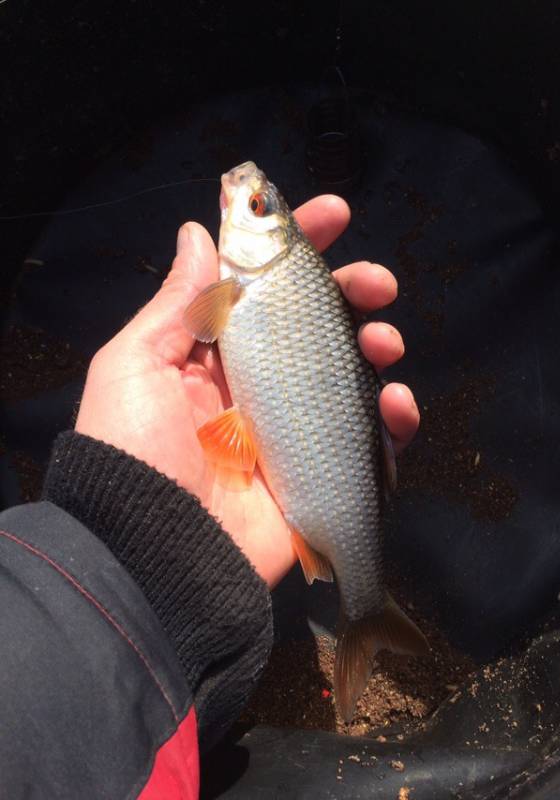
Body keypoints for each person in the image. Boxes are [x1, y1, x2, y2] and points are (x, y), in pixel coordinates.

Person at [0, 195, 420, 798]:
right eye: (256, 202)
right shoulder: (241, 286)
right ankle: (367, 611)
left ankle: (366, 610)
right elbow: (200, 322)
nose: (239, 194)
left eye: (255, 204)